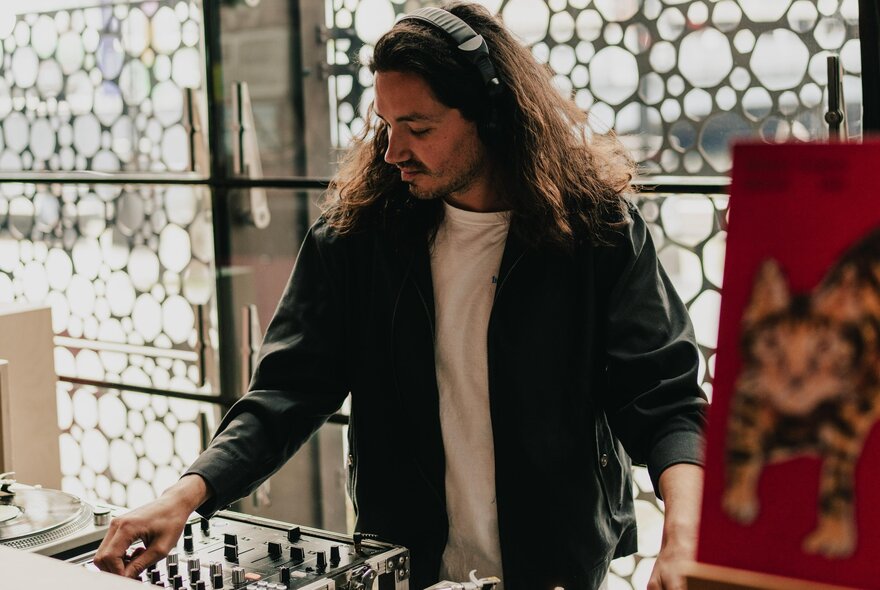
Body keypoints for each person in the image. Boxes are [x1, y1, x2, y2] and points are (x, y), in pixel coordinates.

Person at [94, 3, 707, 589]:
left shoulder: (597, 232)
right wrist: (186, 492)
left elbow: (665, 399)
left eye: (419, 127)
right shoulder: (354, 239)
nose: (394, 152)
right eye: (387, 125)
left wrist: (683, 536)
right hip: (405, 561)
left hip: (557, 564)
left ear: (492, 116)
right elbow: (287, 391)